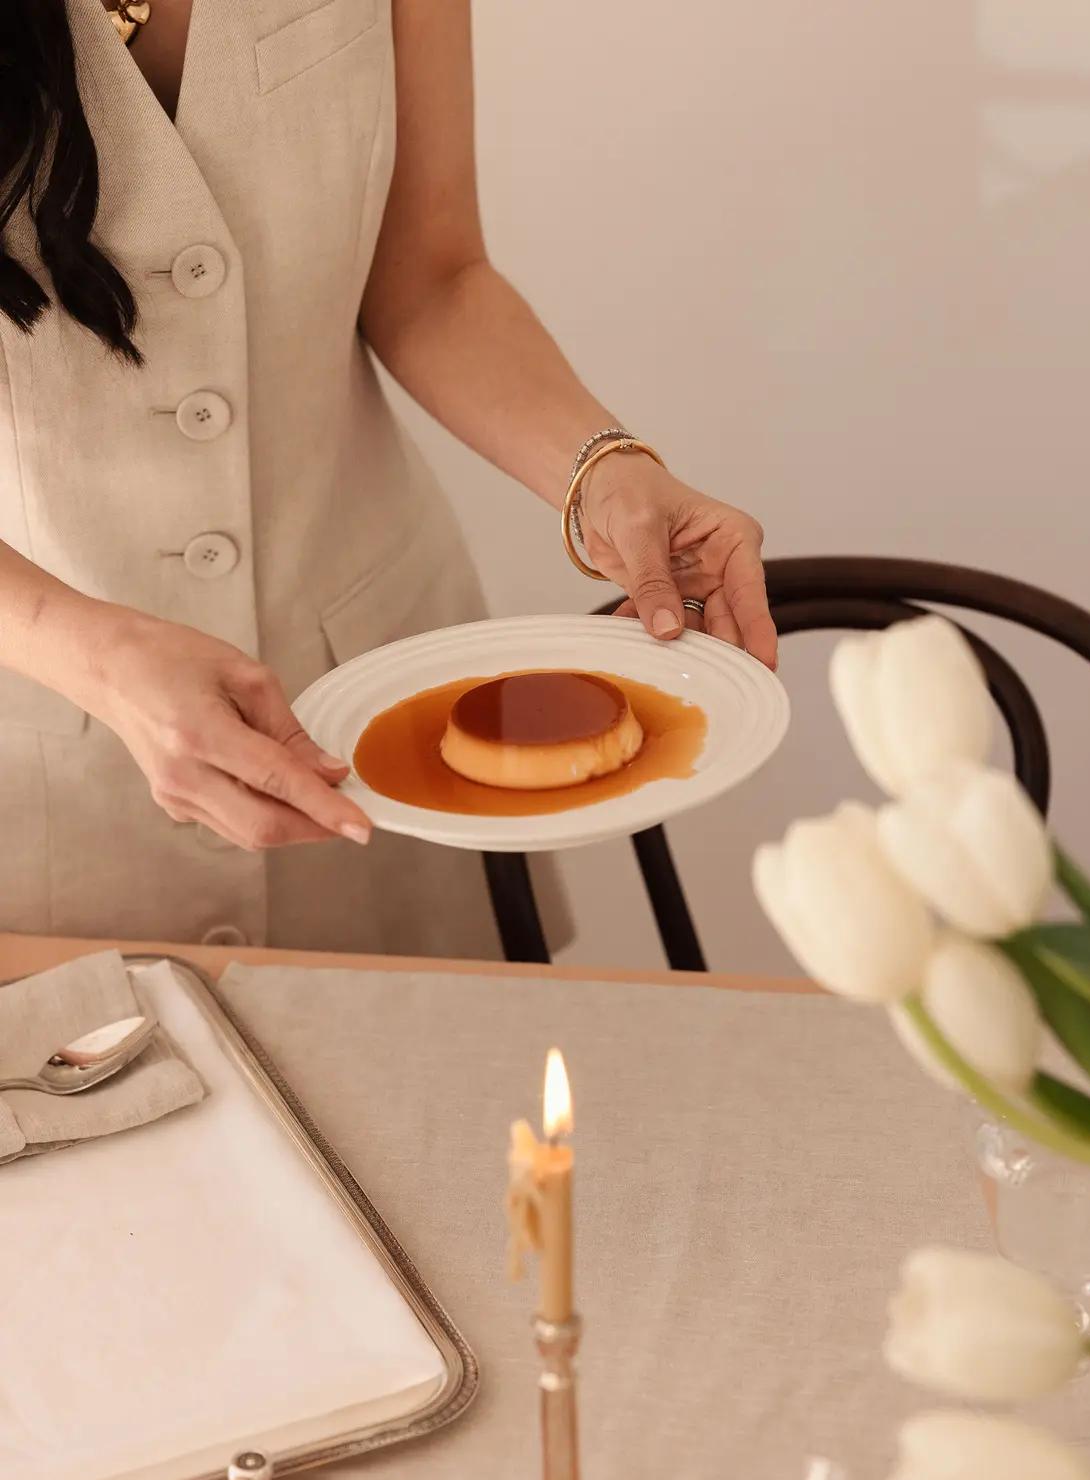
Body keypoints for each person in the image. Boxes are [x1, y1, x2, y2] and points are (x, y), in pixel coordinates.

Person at [0, 0, 777, 956]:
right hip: (47, 759)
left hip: (381, 714)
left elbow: (431, 280)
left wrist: (605, 471)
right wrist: (101, 658)